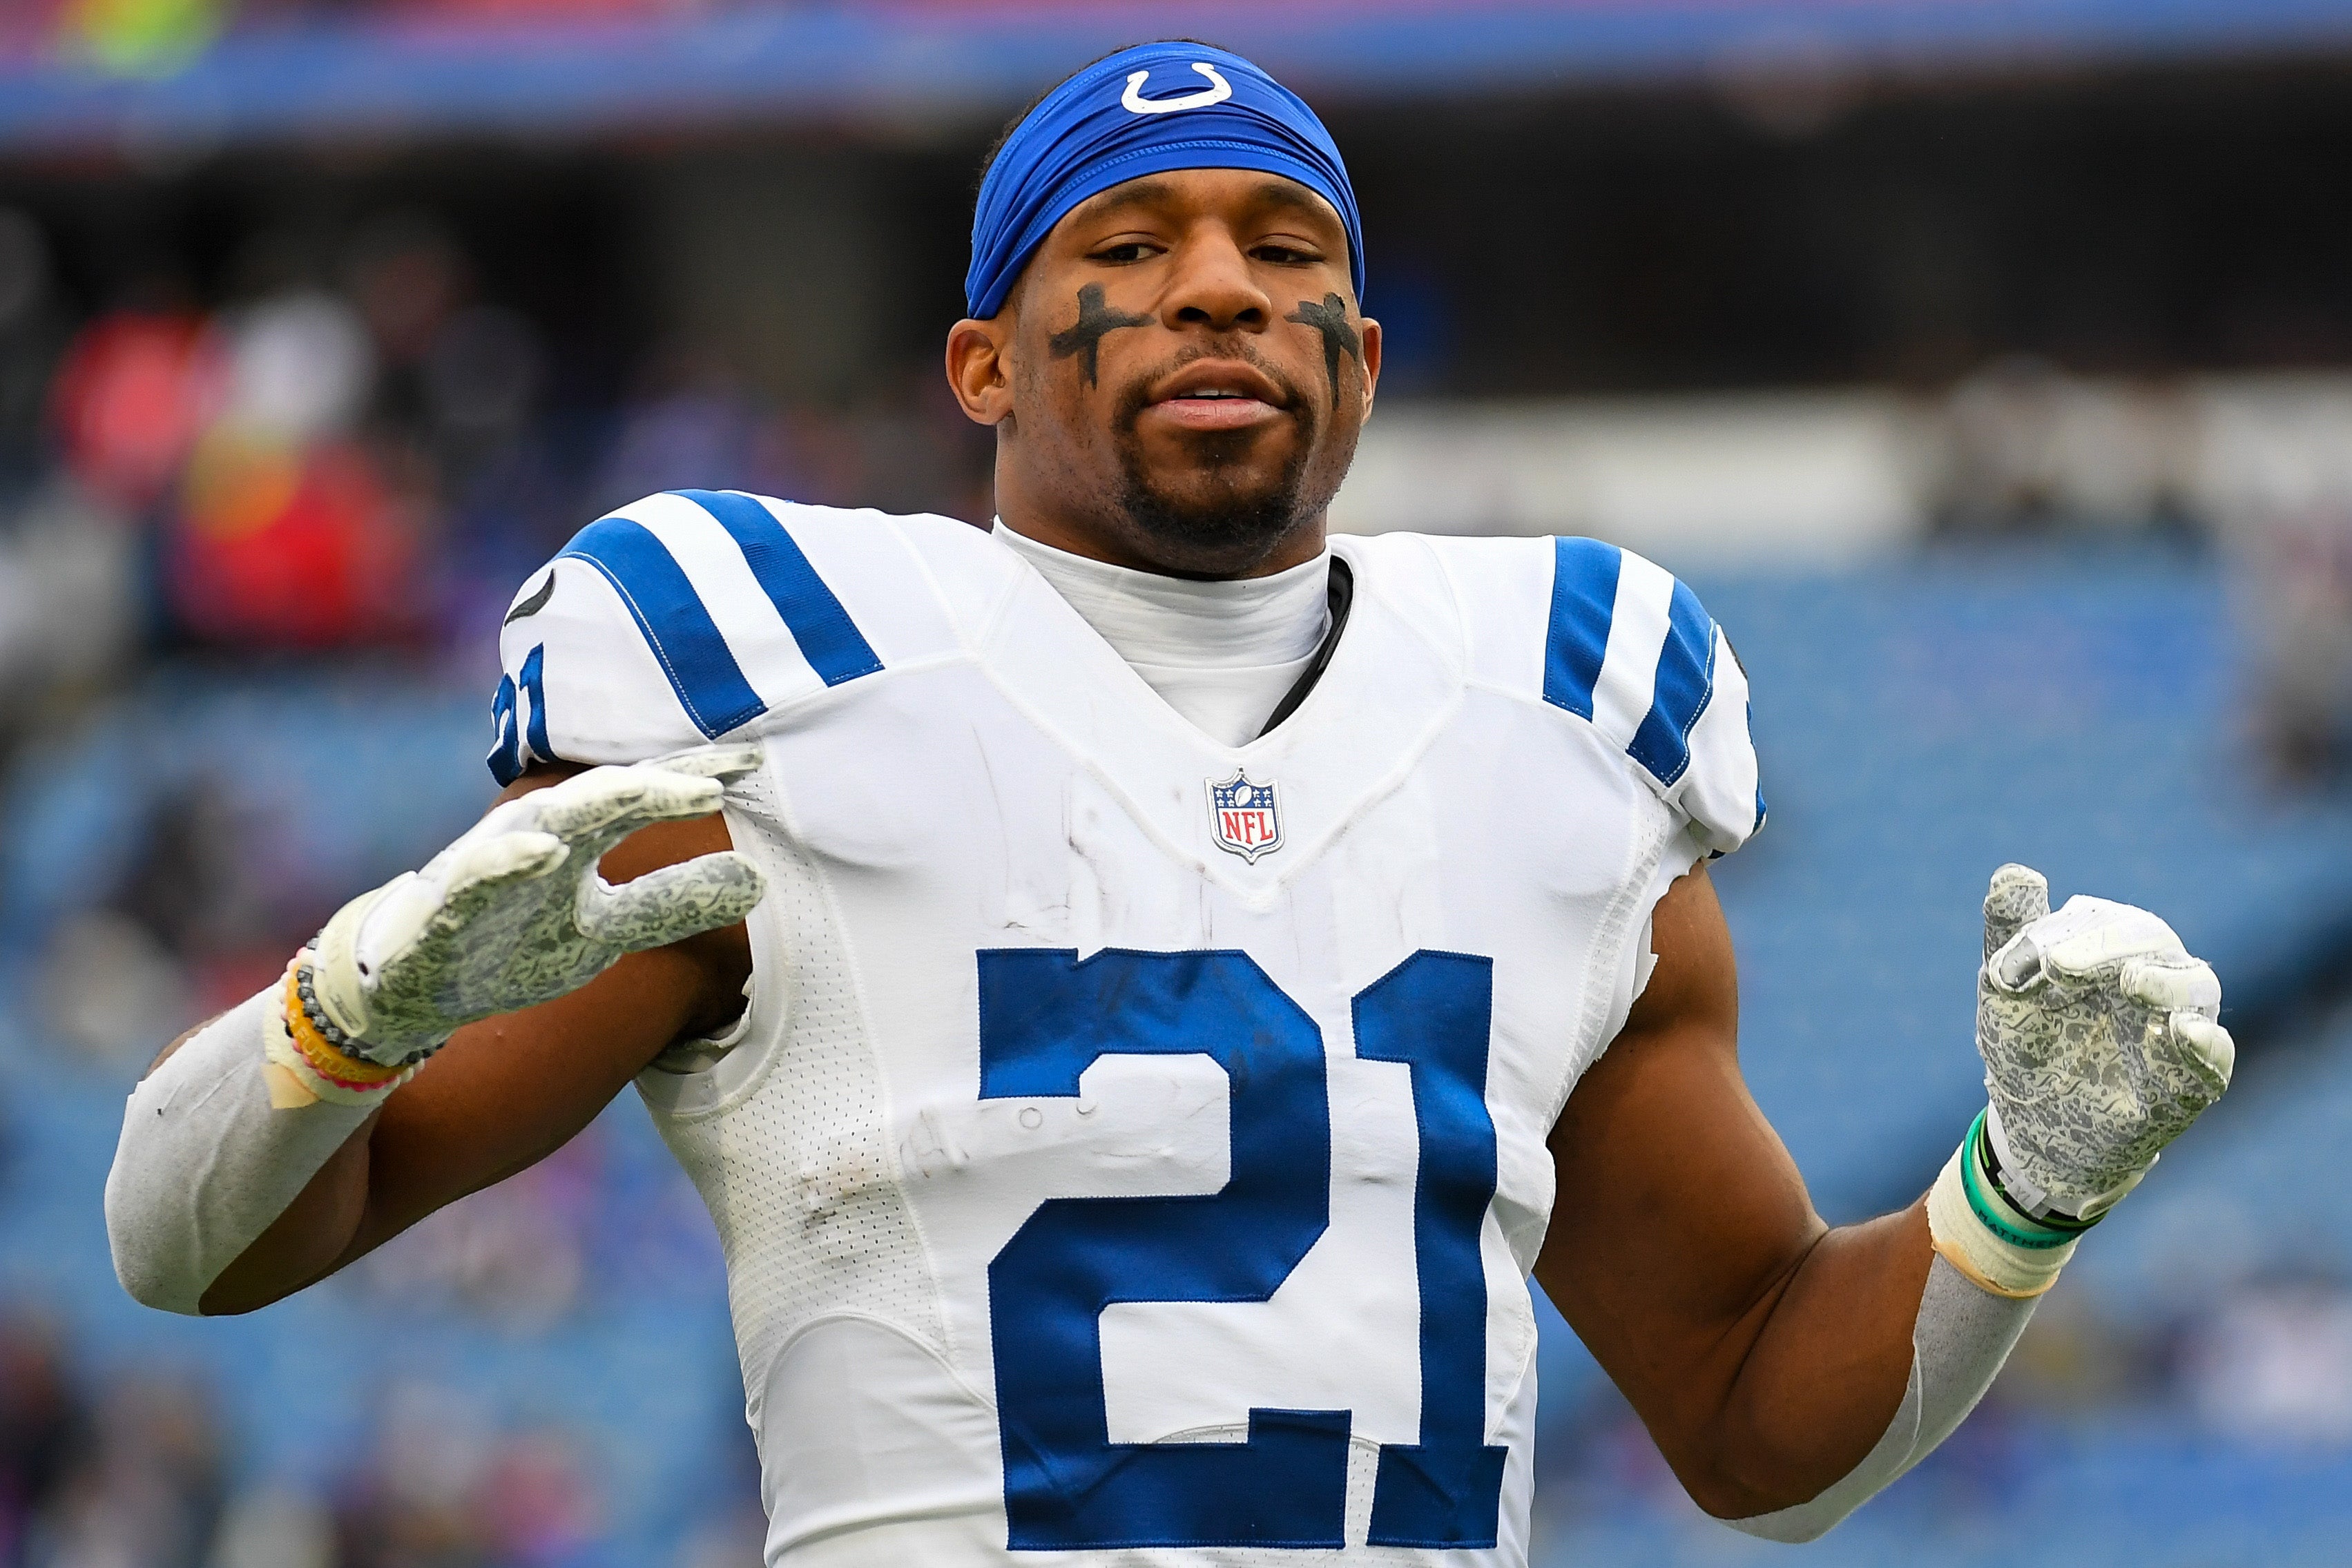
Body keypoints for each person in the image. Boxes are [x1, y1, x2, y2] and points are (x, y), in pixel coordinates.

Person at [104, 41, 2236, 1567]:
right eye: (1127, 241)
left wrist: (2019, 1194)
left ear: (1360, 357)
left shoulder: (1564, 721)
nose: (1218, 281)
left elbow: (1759, 1415)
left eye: (1280, 240)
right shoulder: (775, 692)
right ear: (983, 366)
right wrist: (340, 1021)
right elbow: (186, 1248)